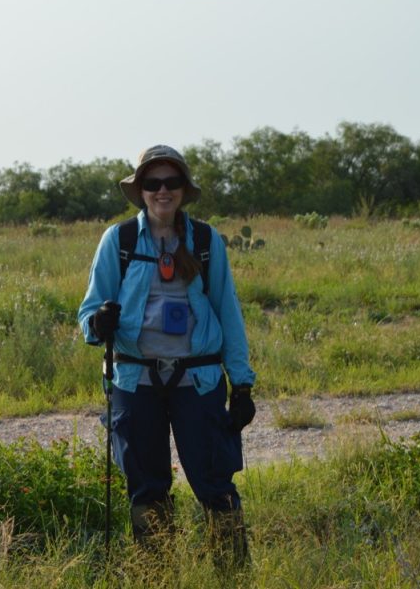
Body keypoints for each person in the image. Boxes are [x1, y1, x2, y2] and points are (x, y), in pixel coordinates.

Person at [78, 144, 257, 569]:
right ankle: (156, 576)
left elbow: (228, 313)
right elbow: (89, 312)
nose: (163, 191)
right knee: (147, 487)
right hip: (135, 382)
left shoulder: (206, 241)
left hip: (199, 381)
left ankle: (232, 576)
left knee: (215, 484)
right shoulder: (118, 241)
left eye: (171, 182)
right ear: (140, 190)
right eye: (153, 183)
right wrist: (98, 323)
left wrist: (243, 383)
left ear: (183, 189)